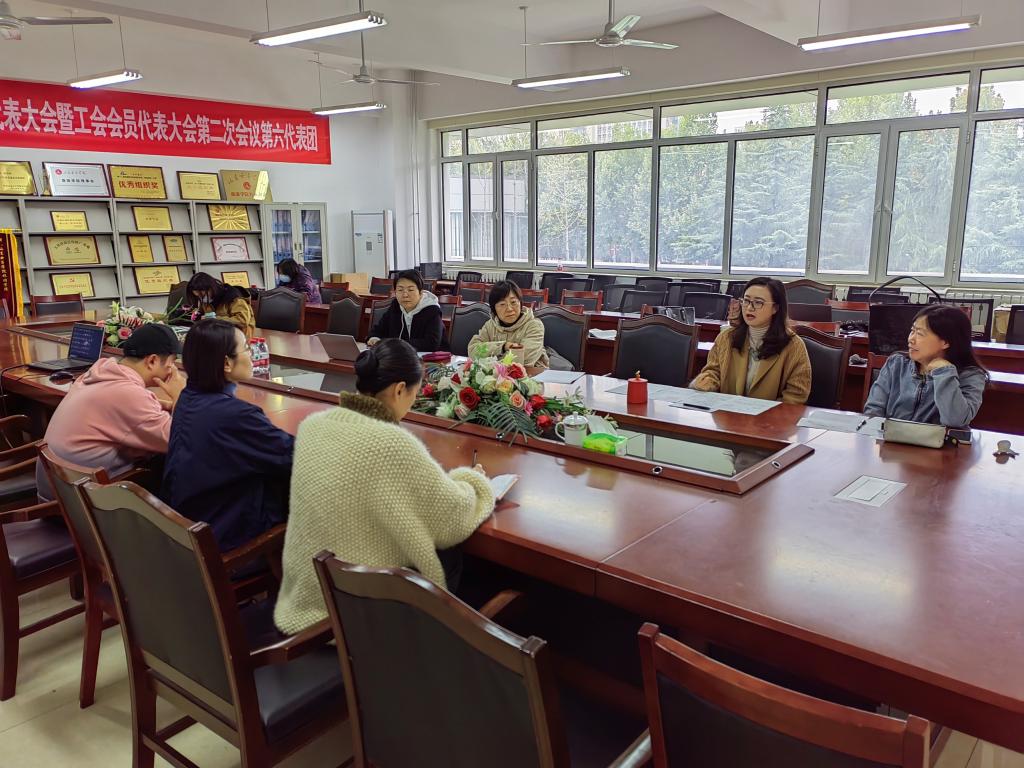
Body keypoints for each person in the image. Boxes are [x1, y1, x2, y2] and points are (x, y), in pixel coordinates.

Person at [274, 338, 495, 635]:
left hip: (308, 596)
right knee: (453, 554)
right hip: (360, 616)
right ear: (400, 389)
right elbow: (451, 516)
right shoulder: (391, 444)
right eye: (414, 394)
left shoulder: (314, 425)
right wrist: (474, 481)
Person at [161, 319, 294, 551]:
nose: (251, 354)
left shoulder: (187, 398)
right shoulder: (237, 416)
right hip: (226, 537)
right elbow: (295, 456)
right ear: (226, 363)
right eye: (246, 348)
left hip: (191, 525)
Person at [36, 323, 185, 501]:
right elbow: (179, 440)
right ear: (152, 361)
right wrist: (181, 396)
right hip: (81, 505)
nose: (172, 370)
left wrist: (161, 405)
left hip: (59, 490)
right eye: (171, 363)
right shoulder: (129, 394)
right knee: (176, 465)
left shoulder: (99, 373)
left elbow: (120, 412)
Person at [691, 276, 811, 404]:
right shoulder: (727, 337)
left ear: (775, 308)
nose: (749, 308)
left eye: (758, 302)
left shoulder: (794, 346)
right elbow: (713, 371)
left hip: (770, 416)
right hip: (728, 413)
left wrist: (767, 414)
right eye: (746, 301)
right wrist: (707, 381)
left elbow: (796, 396)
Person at [864, 304, 987, 427]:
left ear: (945, 342)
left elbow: (955, 421)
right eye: (912, 331)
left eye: (920, 334)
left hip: (939, 439)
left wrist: (944, 373)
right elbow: (873, 410)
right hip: (890, 436)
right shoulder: (897, 363)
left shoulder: (970, 375)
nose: (911, 339)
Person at [468, 280, 549, 368]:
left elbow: (523, 360)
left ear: (520, 303)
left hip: (532, 374)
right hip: (494, 375)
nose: (509, 309)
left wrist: (488, 359)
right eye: (502, 304)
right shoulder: (490, 325)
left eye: (513, 302)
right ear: (494, 309)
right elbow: (473, 350)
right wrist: (503, 346)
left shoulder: (534, 325)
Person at [367, 269, 444, 351]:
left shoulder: (432, 310)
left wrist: (397, 344)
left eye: (410, 290)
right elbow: (378, 330)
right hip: (400, 356)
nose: (405, 295)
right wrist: (374, 338)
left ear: (420, 293)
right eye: (400, 290)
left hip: (431, 357)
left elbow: (432, 343)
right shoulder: (396, 306)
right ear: (395, 292)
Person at [185, 272, 256, 339]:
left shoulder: (234, 297)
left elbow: (243, 320)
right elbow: (201, 313)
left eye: (202, 295)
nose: (201, 298)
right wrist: (196, 314)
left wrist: (215, 319)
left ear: (211, 288)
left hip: (238, 337)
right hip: (217, 335)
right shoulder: (206, 300)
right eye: (197, 296)